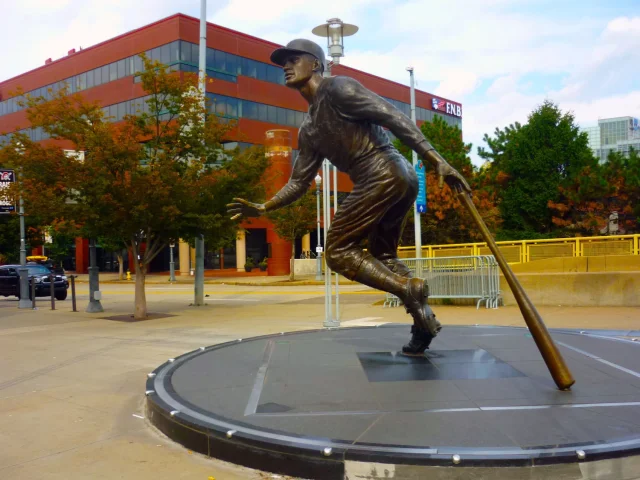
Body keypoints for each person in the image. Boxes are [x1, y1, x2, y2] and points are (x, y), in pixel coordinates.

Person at [227, 39, 471, 355]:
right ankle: (422, 324)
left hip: (381, 171)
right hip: (398, 179)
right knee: (383, 257)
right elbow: (298, 182)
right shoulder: (309, 128)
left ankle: (407, 289)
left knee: (338, 251)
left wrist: (436, 159)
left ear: (315, 63)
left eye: (293, 59)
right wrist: (265, 205)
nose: (286, 66)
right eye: (283, 62)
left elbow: (391, 116)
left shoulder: (338, 88)